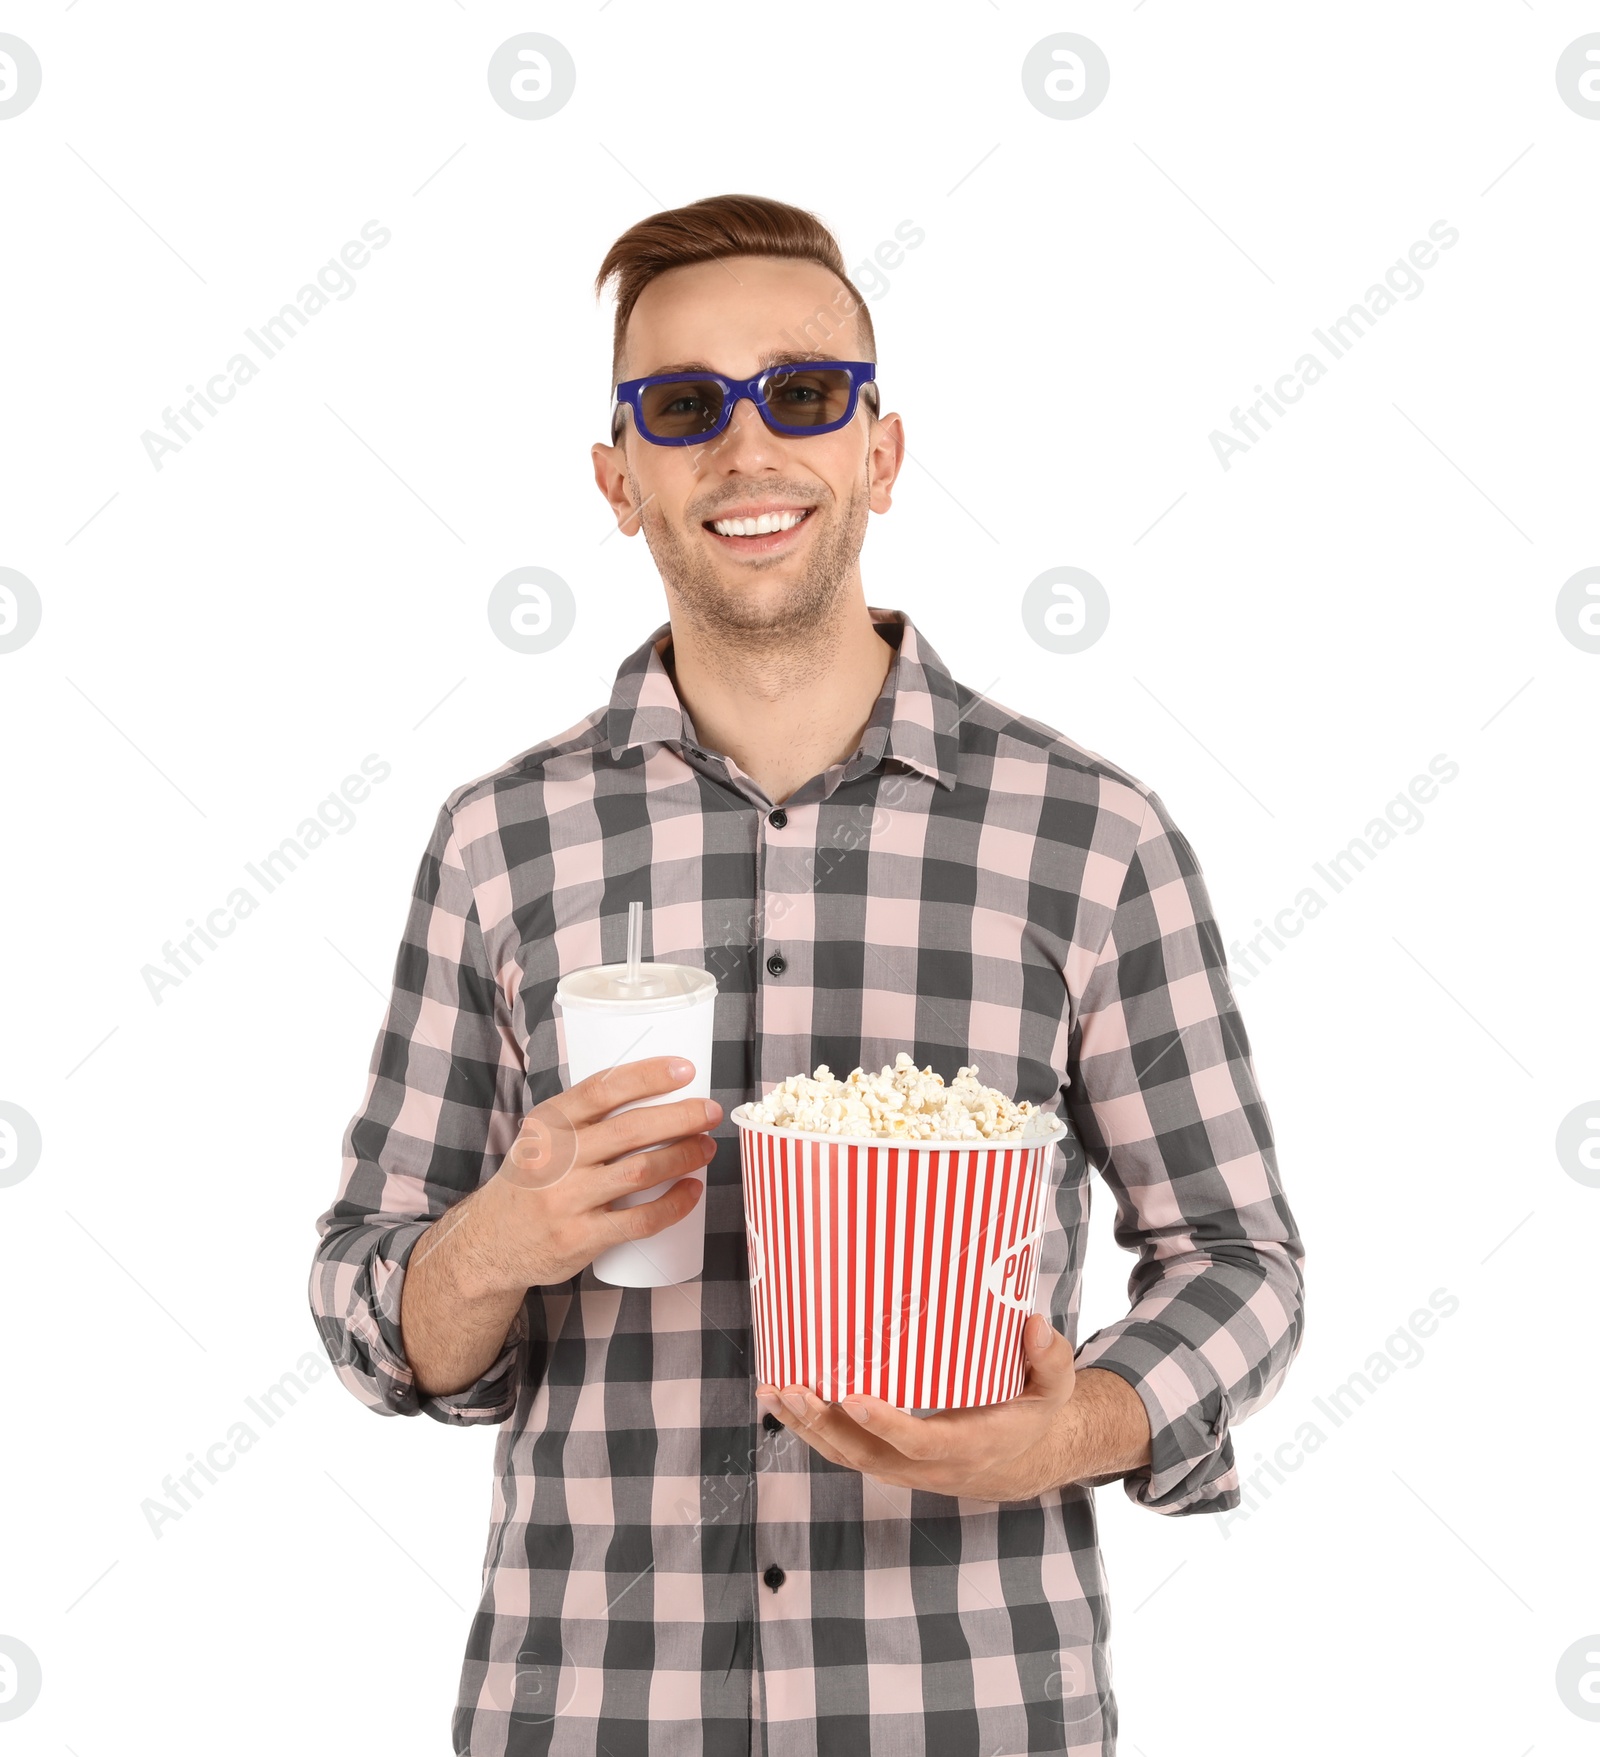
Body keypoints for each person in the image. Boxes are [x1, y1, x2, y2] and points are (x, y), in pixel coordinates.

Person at [308, 192, 1306, 1757]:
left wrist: (1080, 1426)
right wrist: (497, 1237)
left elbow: (1242, 1259)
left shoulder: (1090, 838)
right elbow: (370, 1306)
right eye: (686, 406)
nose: (748, 447)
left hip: (965, 1706)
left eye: (805, 392)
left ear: (880, 453)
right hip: (591, 1712)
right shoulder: (501, 841)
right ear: (618, 479)